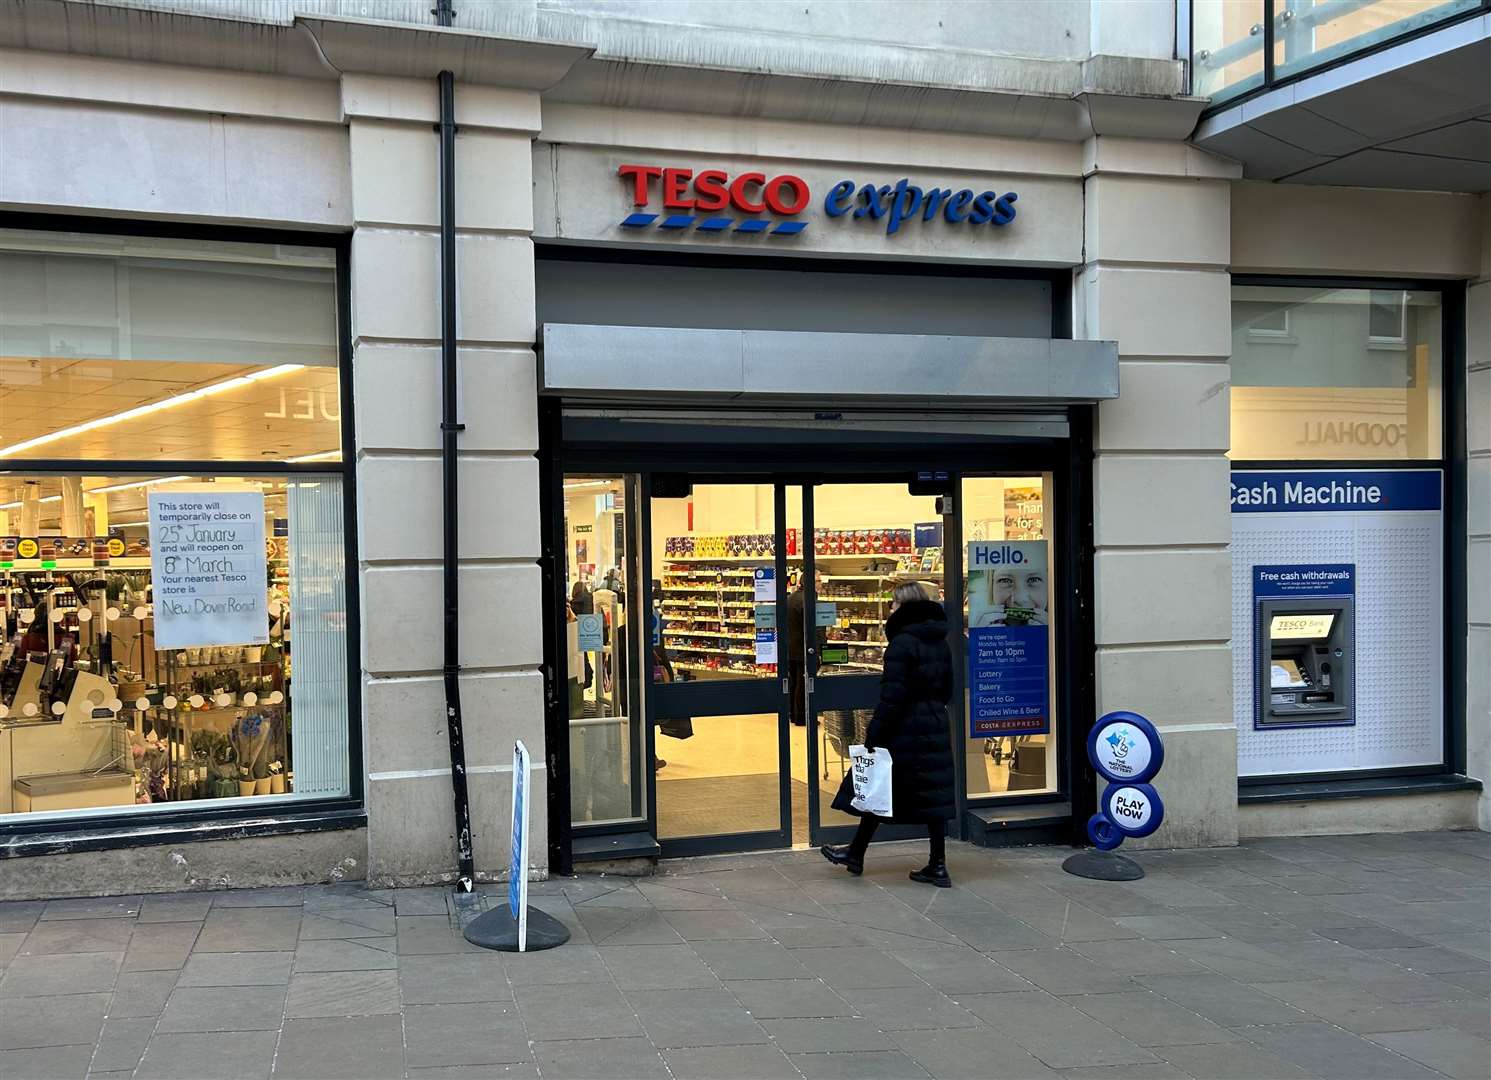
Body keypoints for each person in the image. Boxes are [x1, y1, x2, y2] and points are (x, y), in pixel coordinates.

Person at [821, 580, 955, 887]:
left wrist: (874, 736)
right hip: (934, 722)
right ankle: (935, 864)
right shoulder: (941, 641)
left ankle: (856, 853)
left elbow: (892, 698)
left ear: (904, 607)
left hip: (905, 727)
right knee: (925, 793)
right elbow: (947, 689)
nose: (890, 609)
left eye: (894, 604)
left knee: (879, 784)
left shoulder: (902, 643)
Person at [786, 567, 825, 727]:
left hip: (791, 648)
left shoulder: (791, 597)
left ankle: (794, 715)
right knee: (804, 684)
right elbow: (814, 628)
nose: (821, 583)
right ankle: (803, 717)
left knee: (794, 682)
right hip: (805, 649)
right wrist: (820, 648)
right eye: (819, 580)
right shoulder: (808, 601)